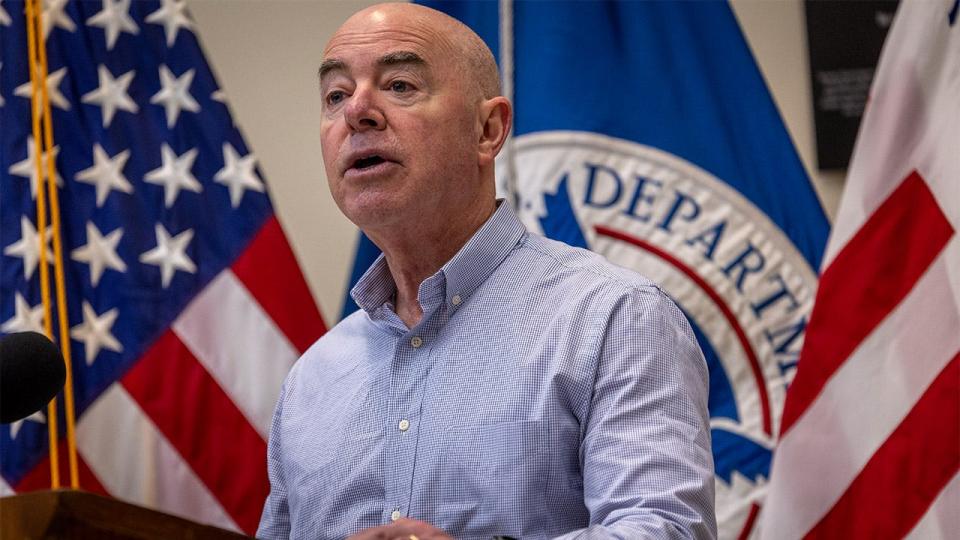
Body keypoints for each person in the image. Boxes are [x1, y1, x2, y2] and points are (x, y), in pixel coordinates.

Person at [257, 3, 716, 539]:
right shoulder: (312, 378)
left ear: (488, 128)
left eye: (400, 85)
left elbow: (666, 530)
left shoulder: (614, 320)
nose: (356, 111)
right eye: (335, 95)